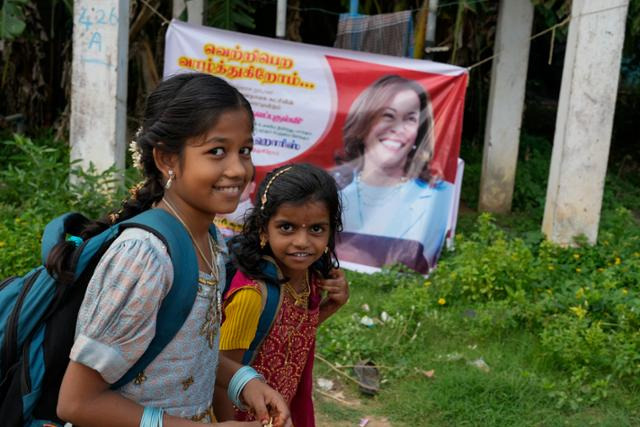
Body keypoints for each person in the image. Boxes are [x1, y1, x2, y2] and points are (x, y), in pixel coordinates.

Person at [54, 73, 291, 426]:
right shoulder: (144, 256)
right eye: (216, 151)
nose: (238, 169)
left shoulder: (210, 241)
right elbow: (77, 403)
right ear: (167, 159)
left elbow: (189, 353)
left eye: (245, 150)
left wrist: (245, 381)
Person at [214, 164, 349, 426]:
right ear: (264, 229)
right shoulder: (251, 295)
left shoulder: (311, 276)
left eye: (317, 229)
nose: (302, 242)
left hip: (282, 410)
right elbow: (221, 376)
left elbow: (286, 337)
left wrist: (331, 306)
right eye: (287, 227)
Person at [332, 74, 454, 273]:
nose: (397, 128)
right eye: (387, 116)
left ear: (419, 132)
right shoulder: (329, 190)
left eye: (410, 119)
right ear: (363, 124)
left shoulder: (440, 196)